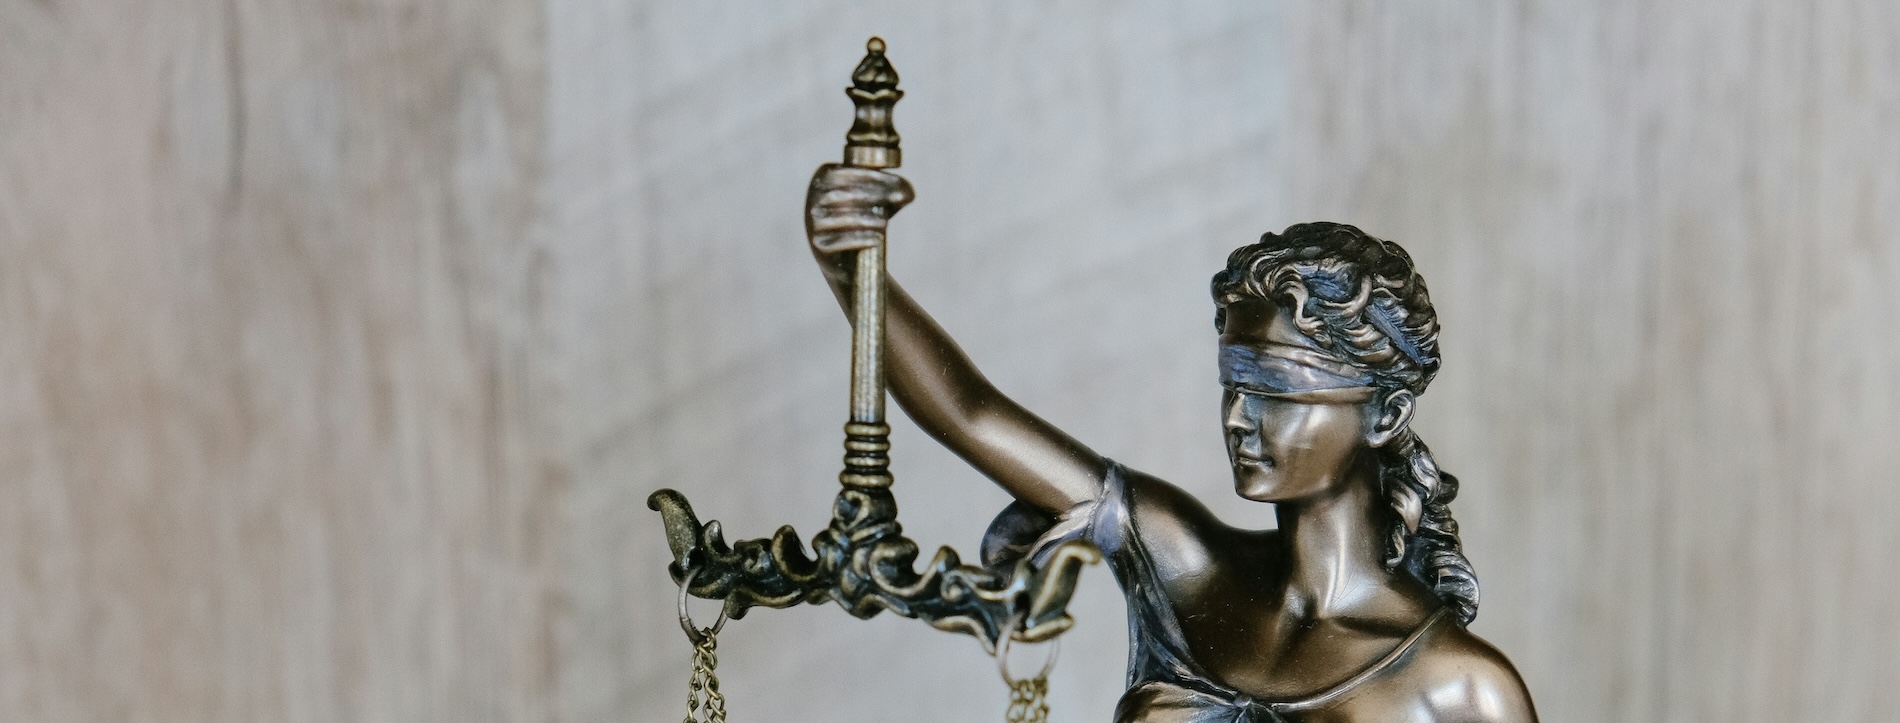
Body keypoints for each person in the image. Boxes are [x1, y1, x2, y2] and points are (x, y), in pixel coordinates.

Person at [805, 165, 1537, 723]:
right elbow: (972, 414)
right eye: (1234, 385)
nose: (1239, 419)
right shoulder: (1183, 567)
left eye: (1279, 390)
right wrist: (855, 275)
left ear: (1386, 413)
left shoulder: (1462, 686)